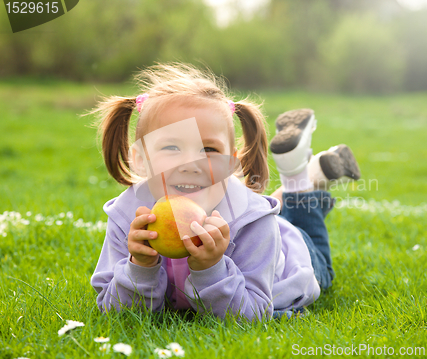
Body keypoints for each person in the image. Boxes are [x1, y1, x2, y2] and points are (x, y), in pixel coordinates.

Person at [90, 63, 361, 321]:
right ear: (139, 158)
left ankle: (300, 179)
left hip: (285, 253)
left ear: (231, 163)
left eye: (209, 150)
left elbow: (253, 314)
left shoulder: (254, 222)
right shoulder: (127, 217)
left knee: (317, 260)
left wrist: (211, 269)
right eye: (171, 147)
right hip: (244, 208)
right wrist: (140, 266)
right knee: (263, 207)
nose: (190, 165)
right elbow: (115, 313)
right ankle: (299, 182)